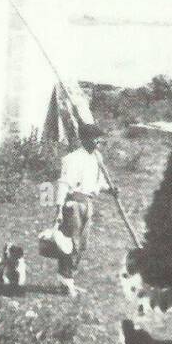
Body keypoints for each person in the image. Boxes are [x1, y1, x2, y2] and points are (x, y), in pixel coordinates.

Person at [53, 122, 116, 296]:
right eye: (95, 138)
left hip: (88, 202)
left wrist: (110, 190)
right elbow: (64, 184)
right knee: (70, 244)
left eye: (98, 139)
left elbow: (99, 182)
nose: (98, 142)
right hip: (73, 204)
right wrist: (58, 210)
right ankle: (65, 281)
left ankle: (67, 280)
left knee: (82, 245)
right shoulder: (72, 159)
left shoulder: (97, 158)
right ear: (85, 139)